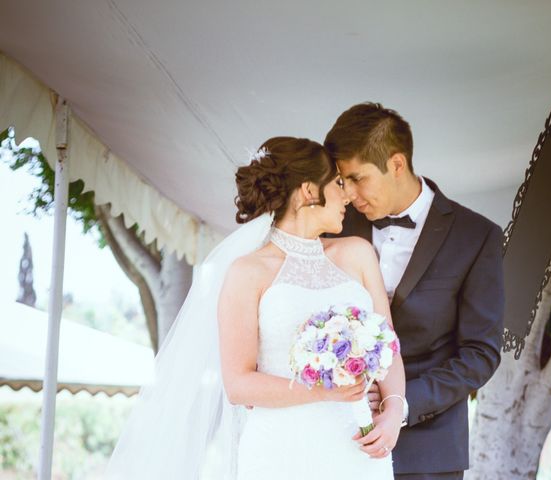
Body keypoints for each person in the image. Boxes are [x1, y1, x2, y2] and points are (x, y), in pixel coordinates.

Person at [105, 136, 405, 480]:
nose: (348, 194)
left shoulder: (358, 252)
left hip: (357, 446)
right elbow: (238, 385)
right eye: (338, 183)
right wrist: (323, 390)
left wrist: (395, 408)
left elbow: (389, 344)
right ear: (308, 190)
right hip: (281, 452)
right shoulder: (247, 272)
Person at [324, 103, 505, 480]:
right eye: (342, 181)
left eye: (358, 178)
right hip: (335, 438)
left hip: (429, 449)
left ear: (397, 164)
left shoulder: (476, 237)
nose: (350, 193)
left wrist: (401, 404)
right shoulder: (332, 228)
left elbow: (480, 353)